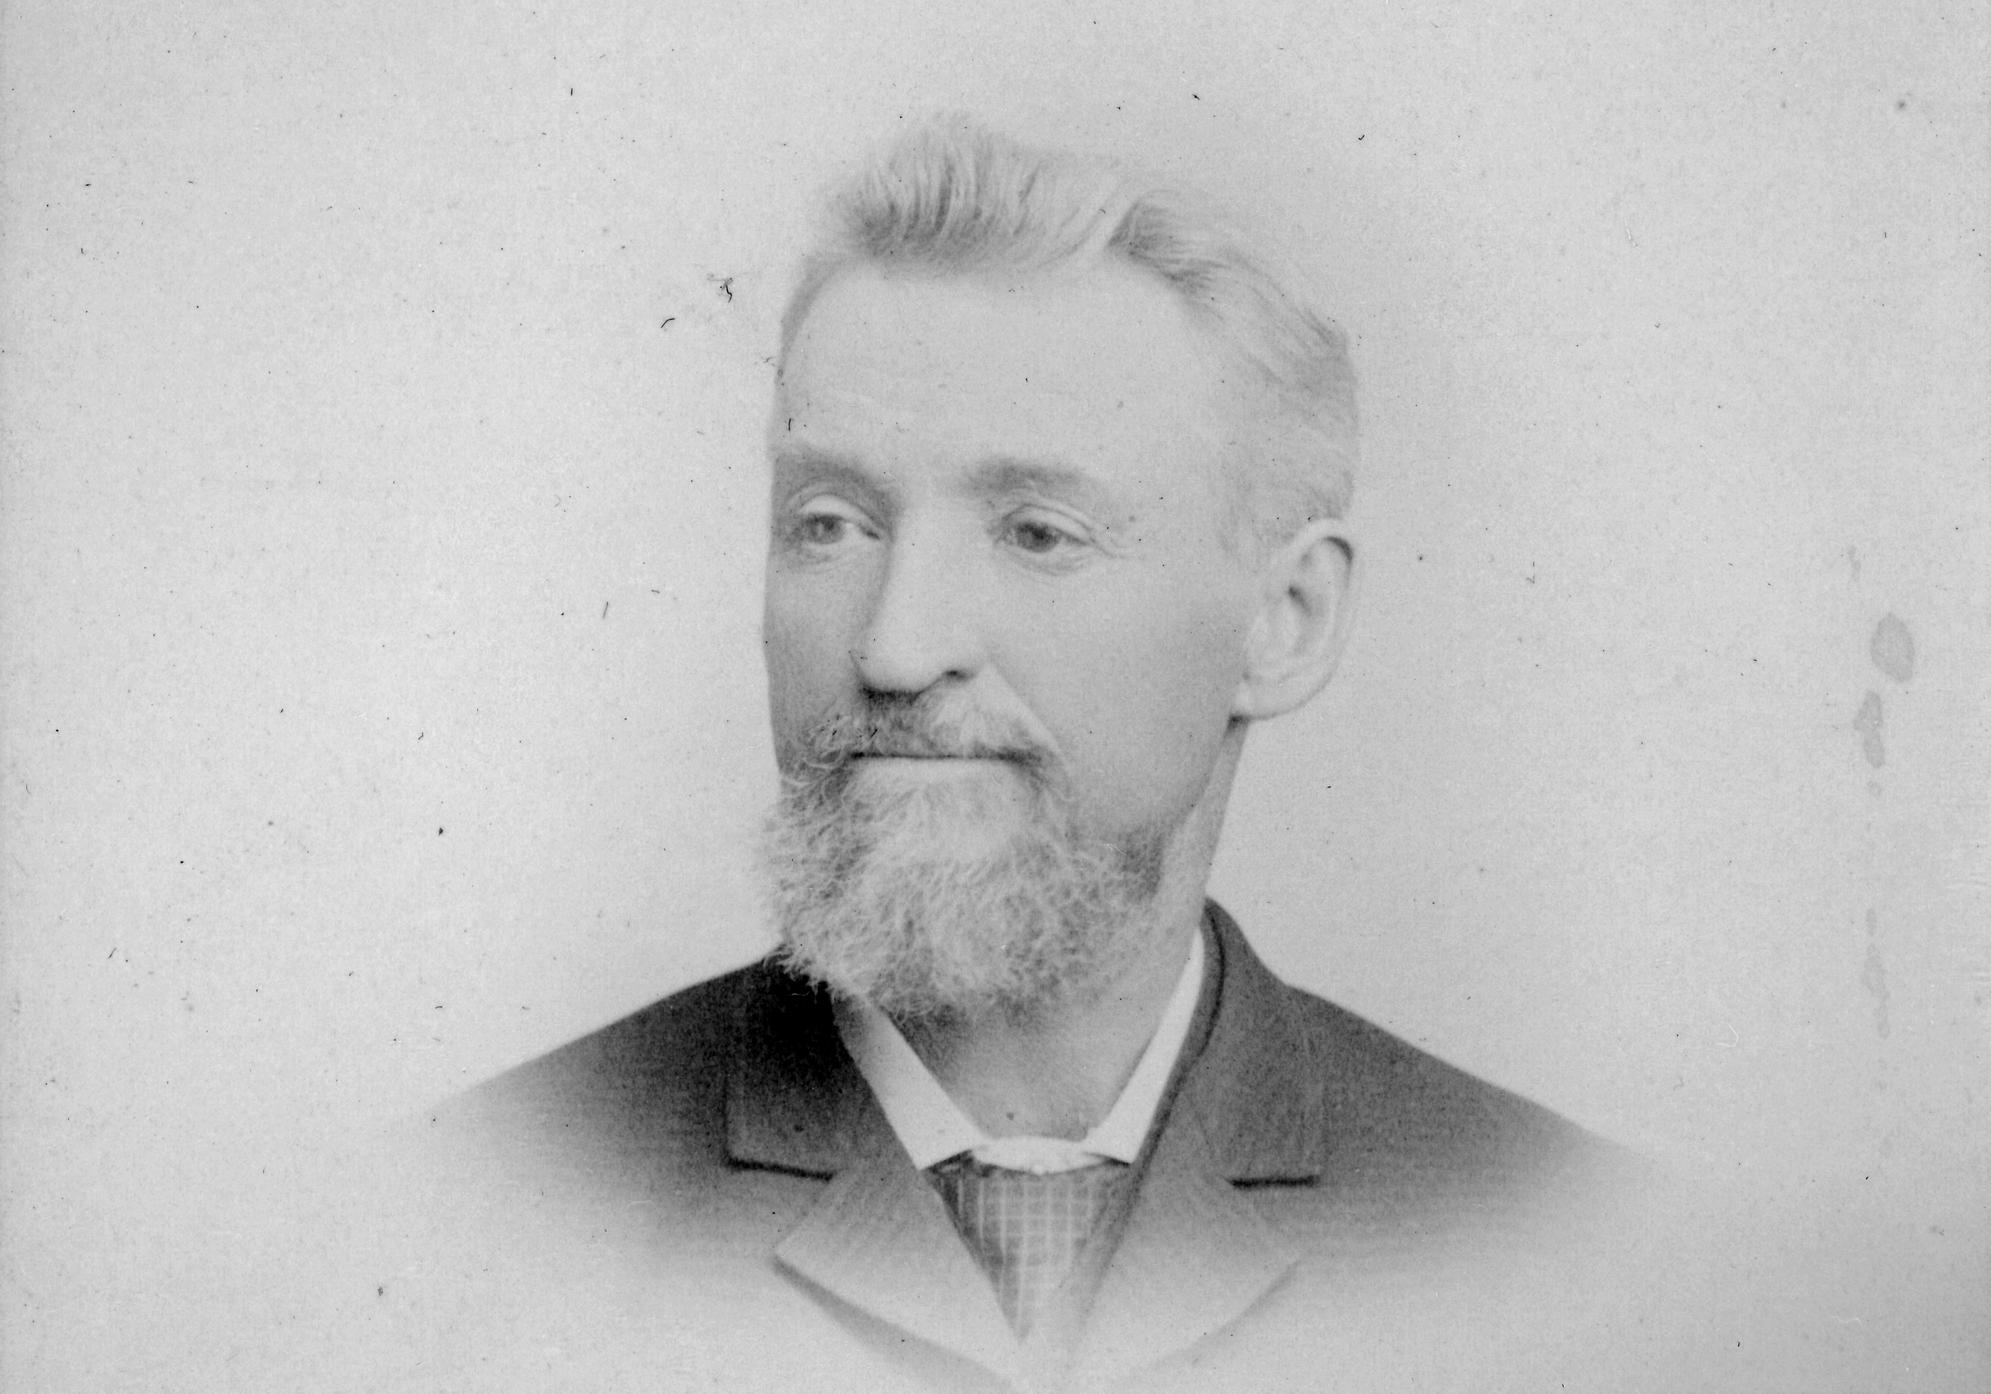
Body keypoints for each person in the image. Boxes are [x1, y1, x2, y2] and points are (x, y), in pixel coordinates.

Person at [391, 117, 1652, 1394]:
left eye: (1036, 532)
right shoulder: (469, 1205)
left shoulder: (1553, 1235)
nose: (895, 648)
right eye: (829, 523)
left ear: (1285, 621)